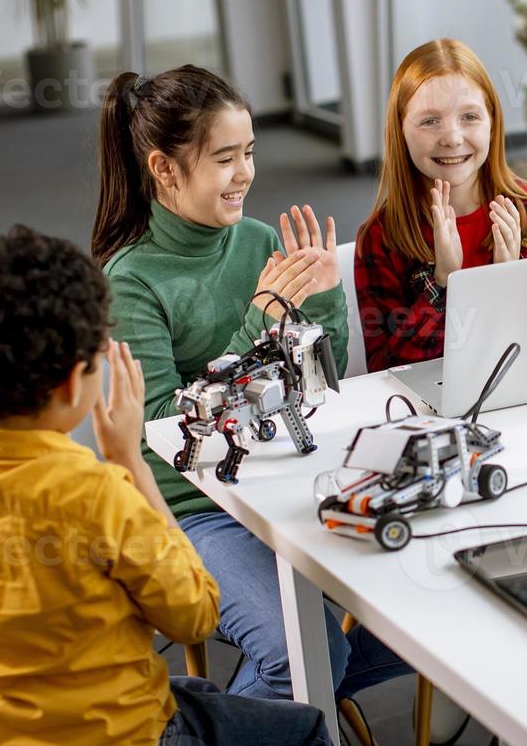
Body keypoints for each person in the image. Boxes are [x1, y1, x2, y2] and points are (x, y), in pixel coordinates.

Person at [0, 226, 333, 746]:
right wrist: (130, 460)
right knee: (305, 738)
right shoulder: (95, 487)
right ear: (69, 383)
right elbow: (192, 615)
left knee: (190, 696)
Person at [95, 65, 411, 702]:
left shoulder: (259, 240)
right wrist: (257, 321)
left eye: (250, 153)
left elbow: (319, 387)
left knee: (429, 613)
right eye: (225, 158)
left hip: (286, 476)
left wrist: (322, 302)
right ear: (163, 169)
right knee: (306, 655)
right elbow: (157, 430)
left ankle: (302, 716)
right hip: (197, 510)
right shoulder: (129, 280)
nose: (246, 173)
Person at [355, 38, 527, 372]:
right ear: (400, 131)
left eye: (469, 116)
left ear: (492, 123)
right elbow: (385, 370)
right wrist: (445, 281)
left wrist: (508, 280)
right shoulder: (381, 239)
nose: (451, 137)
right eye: (429, 121)